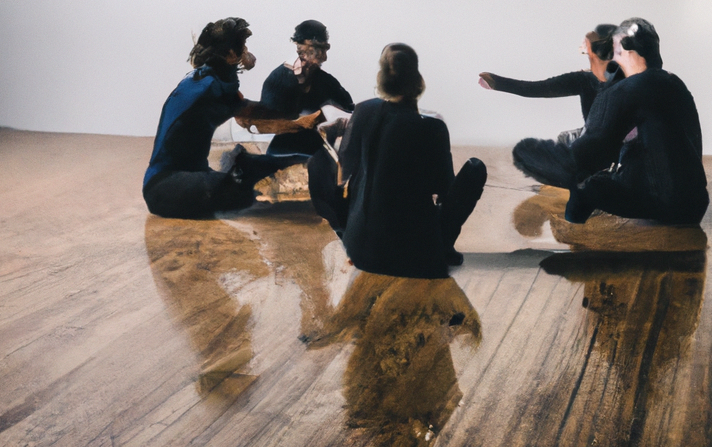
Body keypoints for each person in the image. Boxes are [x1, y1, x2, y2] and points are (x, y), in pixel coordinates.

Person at [307, 43, 487, 277]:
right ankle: (444, 247)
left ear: (381, 77)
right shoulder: (433, 127)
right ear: (418, 80)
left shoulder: (363, 111)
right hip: (414, 256)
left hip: (359, 251)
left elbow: (345, 172)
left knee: (317, 160)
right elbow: (444, 189)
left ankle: (344, 230)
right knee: (475, 169)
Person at [143, 18, 321, 218]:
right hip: (164, 187)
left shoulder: (211, 79)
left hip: (189, 176)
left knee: (249, 169)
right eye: (243, 47)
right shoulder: (207, 88)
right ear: (230, 54)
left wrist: (301, 120)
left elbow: (250, 111)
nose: (246, 52)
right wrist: (300, 123)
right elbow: (250, 118)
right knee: (241, 191)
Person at [564, 18, 708, 225]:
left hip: (663, 204)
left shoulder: (628, 89)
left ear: (624, 48)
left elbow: (591, 147)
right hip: (695, 205)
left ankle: (569, 232)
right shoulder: (674, 83)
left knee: (586, 186)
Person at [479, 23, 622, 187]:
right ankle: (596, 178)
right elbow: (540, 88)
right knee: (566, 139)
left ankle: (595, 180)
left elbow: (539, 88)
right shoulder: (595, 78)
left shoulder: (591, 79)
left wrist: (497, 83)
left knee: (570, 144)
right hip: (611, 148)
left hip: (615, 150)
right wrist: (498, 83)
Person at [259, 19, 354, 167]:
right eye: (315, 51)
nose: (323, 57)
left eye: (323, 51)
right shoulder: (277, 80)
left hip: (315, 155)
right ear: (299, 49)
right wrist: (302, 122)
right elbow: (264, 122)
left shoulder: (326, 82)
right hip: (282, 154)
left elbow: (348, 107)